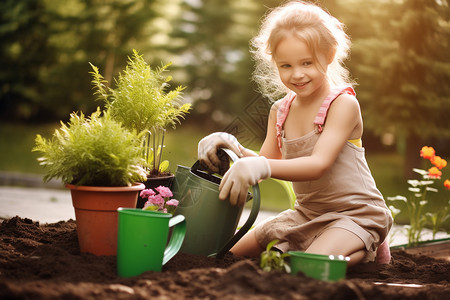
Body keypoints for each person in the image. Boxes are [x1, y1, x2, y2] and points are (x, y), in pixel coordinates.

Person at [198, 0, 392, 266]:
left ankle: (367, 252)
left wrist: (260, 166)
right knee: (225, 253)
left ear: (330, 55)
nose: (297, 74)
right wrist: (232, 146)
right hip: (306, 214)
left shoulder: (343, 104)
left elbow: (317, 165)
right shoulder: (280, 110)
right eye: (285, 66)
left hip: (355, 214)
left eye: (307, 63)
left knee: (307, 265)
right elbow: (268, 162)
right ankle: (320, 245)